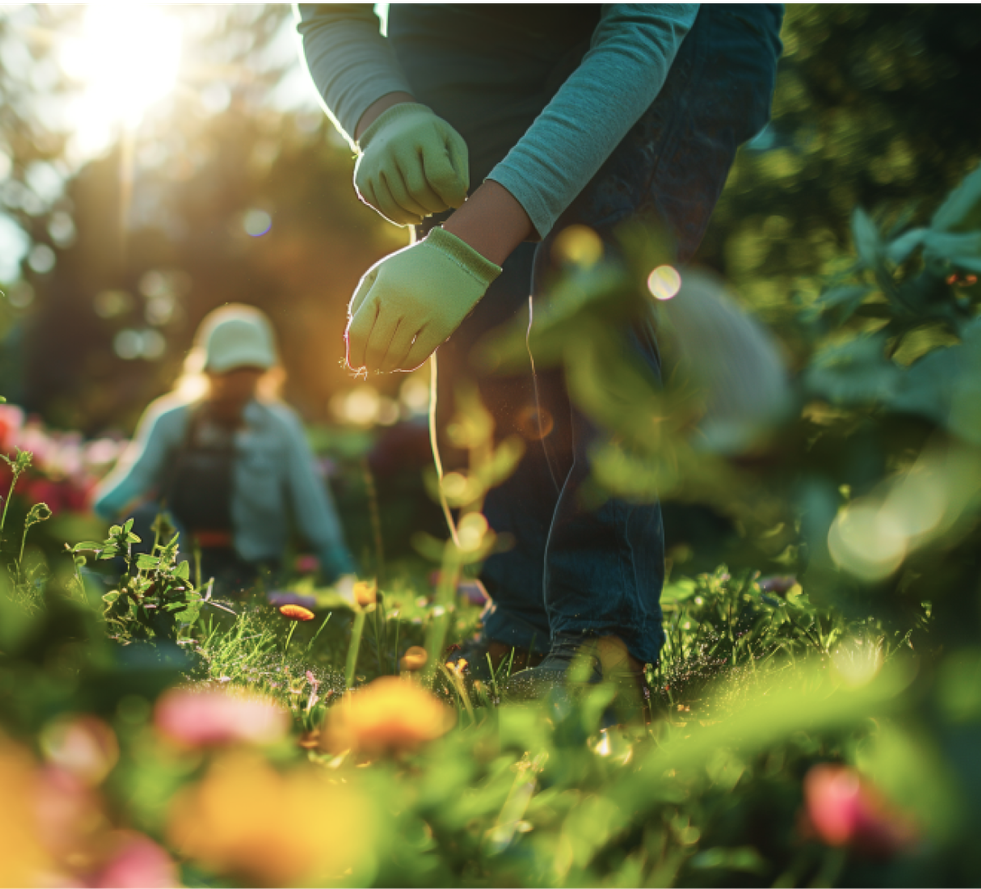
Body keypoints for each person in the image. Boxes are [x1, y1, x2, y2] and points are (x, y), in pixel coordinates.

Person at [295, 2, 783, 698]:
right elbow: (328, 15)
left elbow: (644, 28)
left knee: (590, 278)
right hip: (461, 32)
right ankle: (523, 618)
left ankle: (601, 641)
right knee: (477, 320)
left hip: (676, 26)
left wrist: (468, 248)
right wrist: (385, 113)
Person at [91, 305, 357, 596]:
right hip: (178, 562)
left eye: (249, 370)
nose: (239, 381)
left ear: (265, 371)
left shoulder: (282, 426)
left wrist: (343, 575)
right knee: (145, 518)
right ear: (207, 368)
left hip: (250, 570)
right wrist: (85, 521)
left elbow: (312, 505)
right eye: (231, 370)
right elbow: (133, 481)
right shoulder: (170, 418)